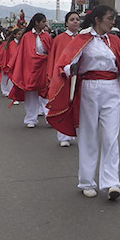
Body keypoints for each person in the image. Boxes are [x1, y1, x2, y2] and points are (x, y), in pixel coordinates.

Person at [47, 5, 120, 200]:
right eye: (110, 18)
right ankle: (87, 181)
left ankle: (112, 182)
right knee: (88, 135)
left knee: (111, 136)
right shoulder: (82, 39)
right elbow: (65, 64)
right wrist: (69, 68)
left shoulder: (114, 41)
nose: (113, 22)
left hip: (112, 89)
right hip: (89, 89)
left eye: (114, 18)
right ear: (97, 19)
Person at [8, 13, 52, 128]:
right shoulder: (26, 36)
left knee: (46, 93)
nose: (45, 24)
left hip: (44, 67)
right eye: (43, 22)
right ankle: (31, 118)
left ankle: (50, 117)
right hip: (30, 68)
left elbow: (51, 52)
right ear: (37, 23)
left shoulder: (47, 36)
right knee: (31, 94)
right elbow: (24, 54)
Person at [47, 11, 81, 147]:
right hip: (64, 77)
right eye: (72, 19)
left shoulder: (83, 38)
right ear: (66, 23)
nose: (75, 22)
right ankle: (64, 136)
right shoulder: (59, 39)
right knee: (64, 104)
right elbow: (55, 60)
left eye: (77, 19)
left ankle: (80, 133)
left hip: (80, 77)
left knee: (80, 105)